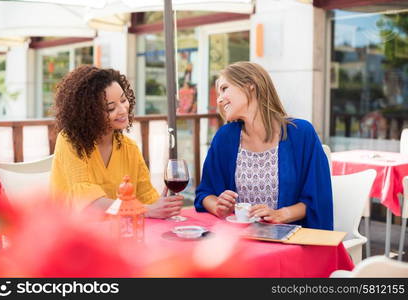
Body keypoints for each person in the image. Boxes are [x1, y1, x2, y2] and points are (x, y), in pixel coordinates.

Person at [194, 62, 333, 230]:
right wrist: (218, 205)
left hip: (290, 242)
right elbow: (204, 193)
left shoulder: (301, 133)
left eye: (224, 88)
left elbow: (319, 199)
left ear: (250, 85)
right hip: (240, 241)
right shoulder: (225, 137)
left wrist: (280, 214)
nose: (219, 99)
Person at [50, 65, 183, 219]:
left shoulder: (129, 148)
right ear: (88, 113)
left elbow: (146, 195)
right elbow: (89, 203)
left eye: (123, 100)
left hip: (117, 234)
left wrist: (162, 205)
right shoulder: (70, 142)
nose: (122, 110)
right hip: (72, 233)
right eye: (110, 108)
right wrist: (148, 209)